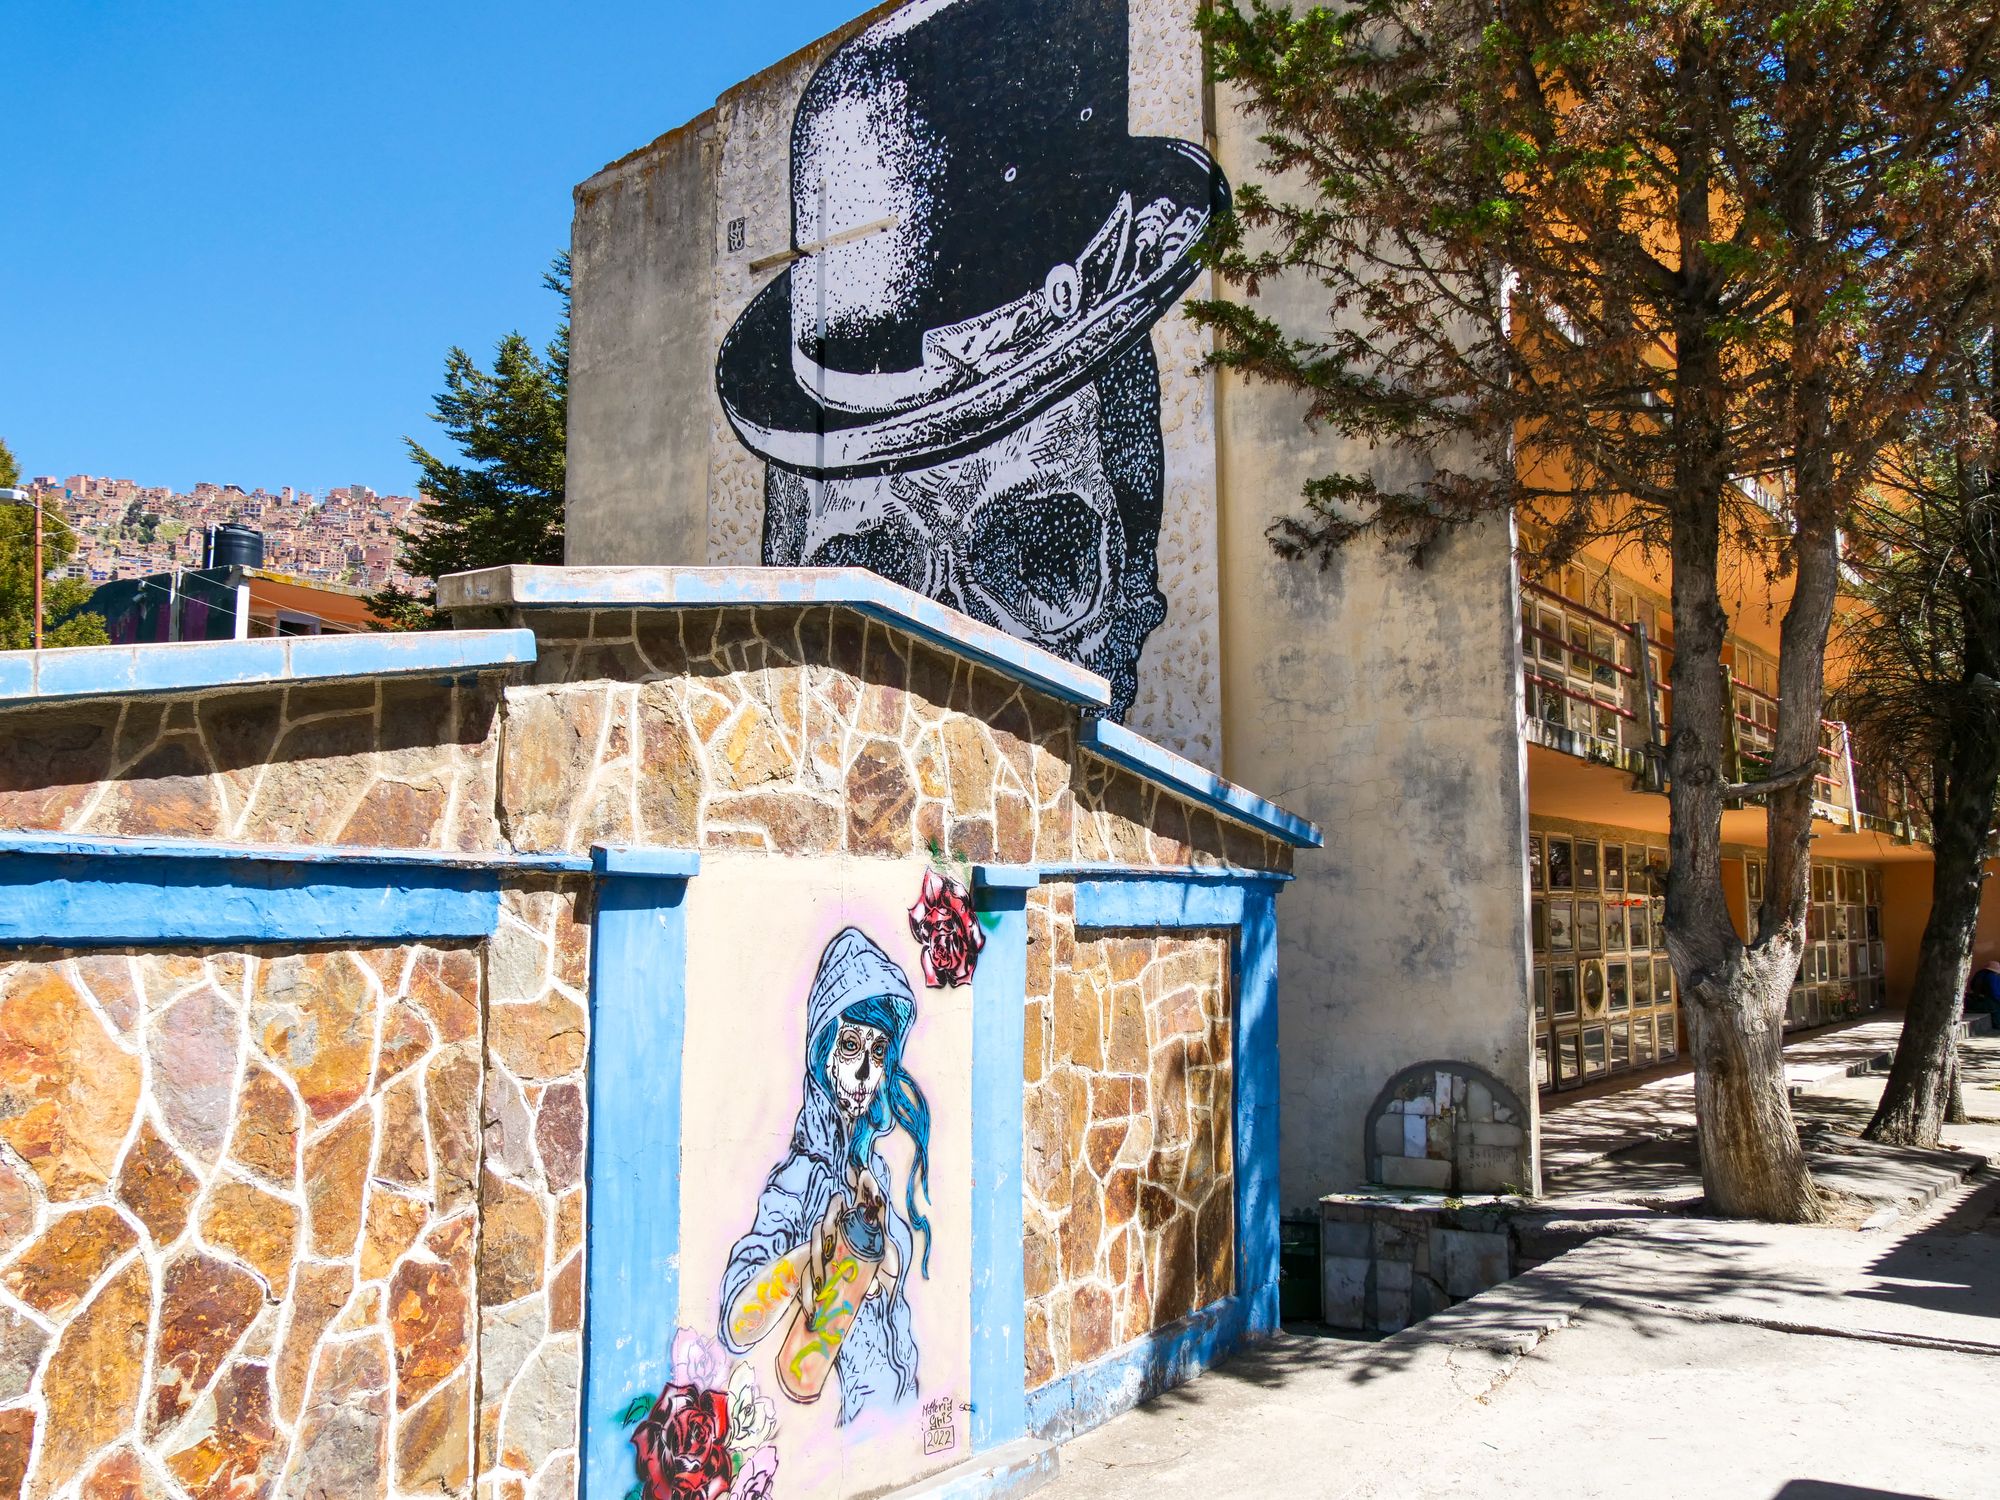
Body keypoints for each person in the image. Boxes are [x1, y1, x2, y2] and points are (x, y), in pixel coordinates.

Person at [718, 928, 933, 1425]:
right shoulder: (800, 1177)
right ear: (822, 1054)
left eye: (878, 1054)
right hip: (850, 1428)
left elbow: (889, 1284)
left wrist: (881, 1249)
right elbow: (735, 1323)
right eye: (852, 1046)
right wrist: (808, 1259)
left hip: (895, 1411)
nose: (865, 1071)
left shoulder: (870, 1169)